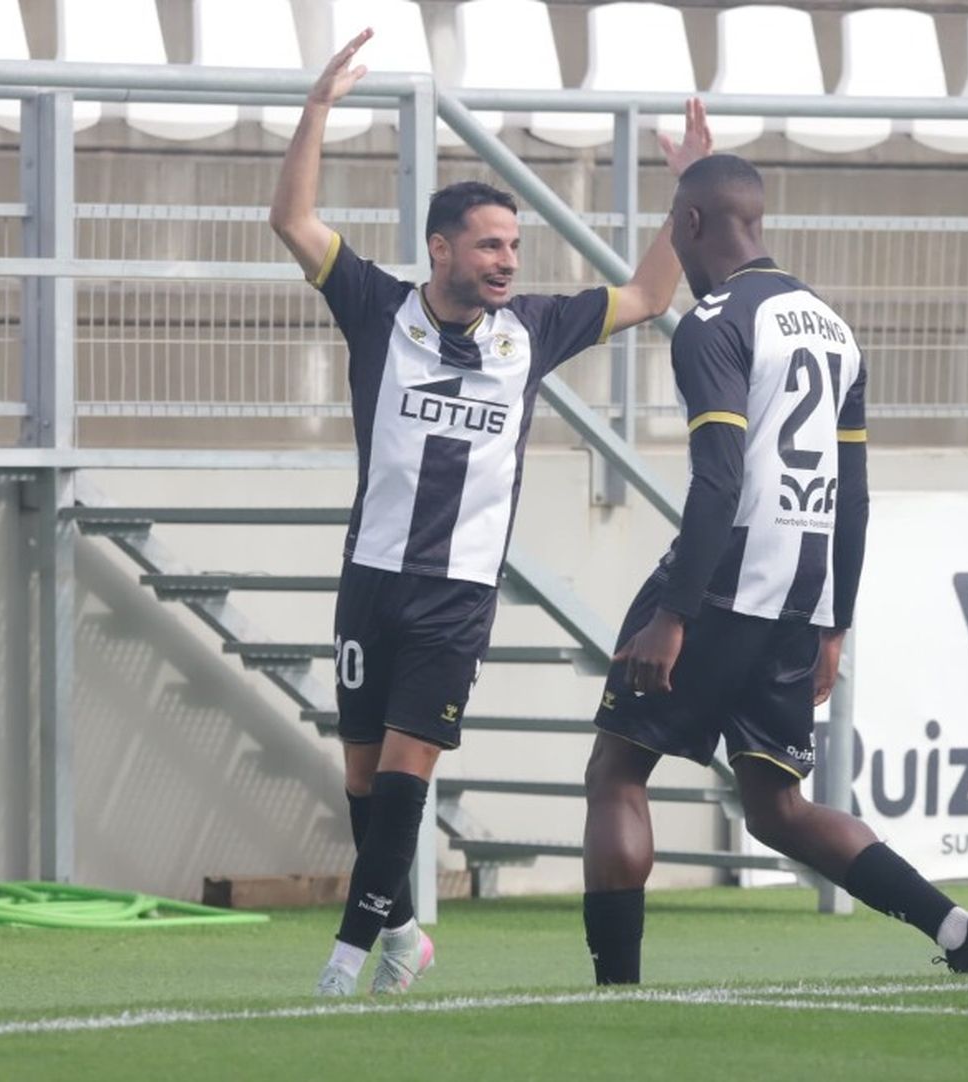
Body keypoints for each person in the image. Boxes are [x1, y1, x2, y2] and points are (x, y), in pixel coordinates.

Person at [268, 28, 712, 997]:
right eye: (490, 243)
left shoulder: (532, 329)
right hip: (371, 574)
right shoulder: (377, 307)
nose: (508, 259)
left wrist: (695, 191)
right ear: (441, 248)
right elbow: (291, 219)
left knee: (401, 774)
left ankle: (344, 961)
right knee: (360, 782)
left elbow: (643, 292)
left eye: (515, 244)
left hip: (457, 593)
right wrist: (315, 112)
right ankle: (402, 935)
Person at [581, 154, 968, 984]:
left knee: (617, 770)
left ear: (695, 224)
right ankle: (958, 928)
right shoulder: (833, 328)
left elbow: (718, 479)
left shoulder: (714, 323)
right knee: (778, 807)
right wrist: (835, 623)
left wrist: (674, 615)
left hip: (720, 585)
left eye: (675, 218)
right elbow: (853, 496)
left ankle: (617, 991)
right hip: (799, 599)